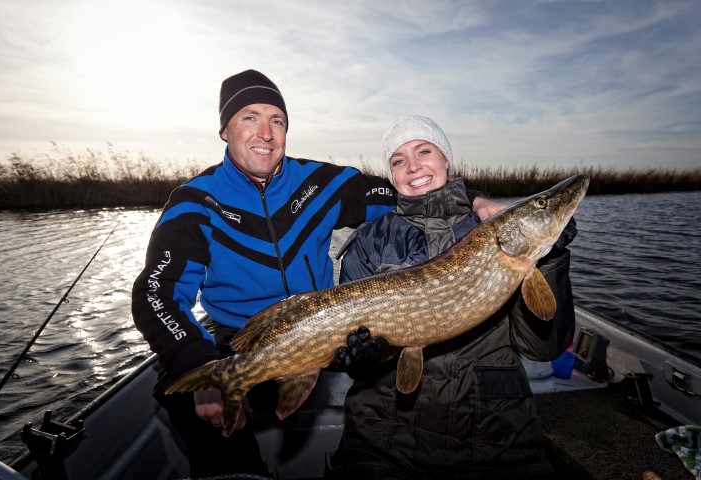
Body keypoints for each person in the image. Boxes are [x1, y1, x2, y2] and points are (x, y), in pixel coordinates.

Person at [131, 72, 501, 478]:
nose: (266, 133)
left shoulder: (321, 183)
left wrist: (475, 200)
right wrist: (195, 364)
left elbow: (409, 187)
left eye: (277, 121)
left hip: (330, 334)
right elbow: (156, 293)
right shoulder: (193, 202)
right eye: (250, 118)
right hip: (241, 338)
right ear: (225, 129)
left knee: (384, 357)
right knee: (183, 391)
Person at [327, 115, 577, 480]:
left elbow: (545, 348)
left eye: (424, 151)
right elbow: (354, 355)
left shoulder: (492, 225)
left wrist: (550, 258)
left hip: (495, 438)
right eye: (398, 160)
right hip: (385, 440)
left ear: (446, 159)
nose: (413, 167)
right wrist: (361, 359)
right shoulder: (369, 242)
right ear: (391, 175)